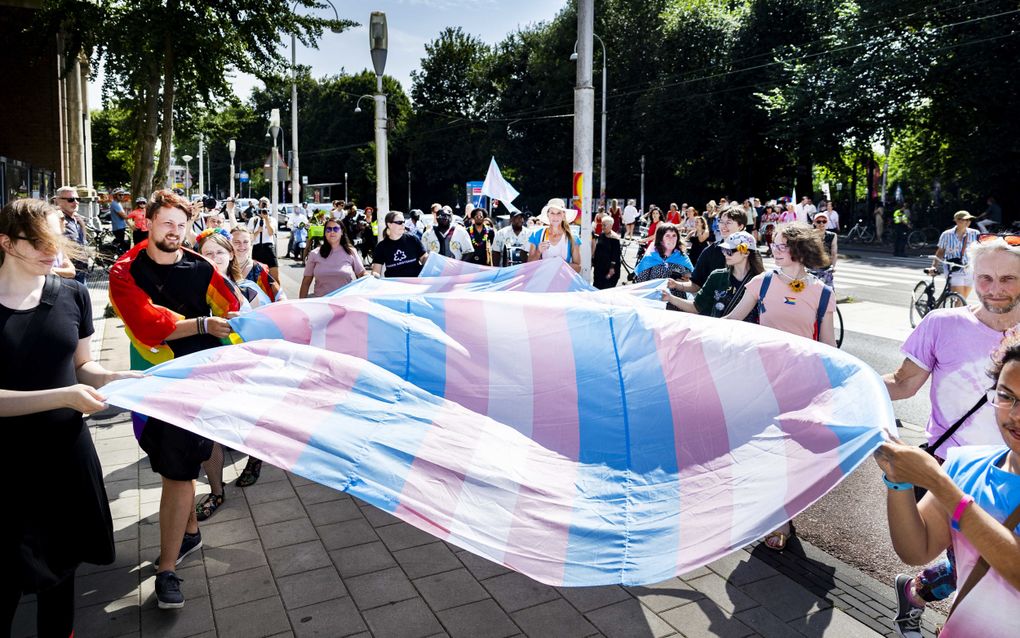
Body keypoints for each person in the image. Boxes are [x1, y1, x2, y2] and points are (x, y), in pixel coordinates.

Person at [0, 199, 139, 638]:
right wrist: (63, 396)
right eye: (39, 241)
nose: (52, 250)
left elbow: (84, 366)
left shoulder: (73, 293)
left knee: (61, 577)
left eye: (56, 239)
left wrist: (117, 376)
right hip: (7, 464)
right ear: (6, 242)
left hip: (65, 458)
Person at [108, 189, 243, 610]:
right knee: (172, 465)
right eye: (167, 223)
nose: (175, 232)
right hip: (153, 382)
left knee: (177, 472)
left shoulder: (200, 265)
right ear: (147, 223)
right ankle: (188, 533)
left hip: (197, 384)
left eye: (182, 225)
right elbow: (149, 326)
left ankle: (166, 569)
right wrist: (203, 322)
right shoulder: (123, 271)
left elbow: (234, 308)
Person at [882, 234, 1020, 636]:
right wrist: (845, 388)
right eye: (985, 278)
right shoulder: (942, 324)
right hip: (957, 468)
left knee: (984, 565)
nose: (995, 290)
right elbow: (904, 384)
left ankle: (915, 592)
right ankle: (926, 598)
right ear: (971, 278)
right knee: (982, 567)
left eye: (1009, 279)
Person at [723, 222, 835, 551]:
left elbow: (829, 347)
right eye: (772, 244)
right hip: (762, 381)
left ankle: (784, 510)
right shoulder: (762, 282)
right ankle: (776, 516)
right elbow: (731, 322)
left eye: (781, 245)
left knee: (791, 455)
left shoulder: (822, 293)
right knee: (766, 449)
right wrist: (686, 327)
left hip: (801, 385)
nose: (774, 250)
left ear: (799, 250)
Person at [662, 230, 762, 320]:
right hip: (720, 336)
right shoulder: (717, 276)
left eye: (730, 251)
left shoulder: (762, 280)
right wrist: (670, 298)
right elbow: (696, 307)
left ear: (746, 253)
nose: (725, 254)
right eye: (724, 250)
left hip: (748, 338)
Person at [672, 206, 748, 295]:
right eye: (721, 221)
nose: (723, 226)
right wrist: (676, 285)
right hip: (715, 305)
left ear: (741, 226)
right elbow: (696, 284)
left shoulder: (749, 250)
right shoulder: (710, 252)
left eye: (728, 222)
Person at [300, 218, 367, 297]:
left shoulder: (351, 252)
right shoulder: (314, 254)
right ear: (325, 233)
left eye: (336, 229)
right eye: (328, 229)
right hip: (321, 304)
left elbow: (362, 274)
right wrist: (300, 305)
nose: (332, 232)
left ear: (342, 232)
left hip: (344, 304)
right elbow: (306, 282)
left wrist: (372, 278)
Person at [635, 223, 694, 311]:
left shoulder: (682, 257)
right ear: (661, 239)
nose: (672, 238)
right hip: (655, 305)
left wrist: (687, 281)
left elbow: (693, 281)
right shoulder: (650, 257)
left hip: (678, 305)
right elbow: (641, 284)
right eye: (667, 235)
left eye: (674, 235)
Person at [933, 211, 980, 300]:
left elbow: (980, 250)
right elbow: (940, 252)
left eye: (969, 220)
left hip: (969, 269)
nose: (968, 222)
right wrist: (933, 267)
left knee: (962, 300)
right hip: (953, 269)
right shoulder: (946, 234)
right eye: (965, 219)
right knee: (960, 298)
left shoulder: (975, 233)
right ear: (957, 221)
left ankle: (953, 311)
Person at [528, 198, 581, 273]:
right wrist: (538, 252)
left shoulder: (573, 237)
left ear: (563, 215)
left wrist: (559, 265)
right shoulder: (537, 235)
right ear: (548, 215)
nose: (555, 217)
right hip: (542, 282)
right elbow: (528, 265)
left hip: (563, 283)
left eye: (559, 213)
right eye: (552, 213)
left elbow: (578, 267)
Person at [372, 211, 428, 277]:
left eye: (403, 222)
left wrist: (429, 259)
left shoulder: (413, 239)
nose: (403, 225)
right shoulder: (381, 246)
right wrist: (374, 275)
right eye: (399, 222)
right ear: (389, 225)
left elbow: (424, 257)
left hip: (416, 283)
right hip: (394, 285)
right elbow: (376, 271)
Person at [54, 186, 87, 284]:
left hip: (81, 271)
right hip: (67, 275)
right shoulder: (57, 219)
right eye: (71, 199)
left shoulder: (77, 219)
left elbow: (82, 243)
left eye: (77, 199)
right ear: (57, 201)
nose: (76, 202)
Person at [247, 197, 279, 281]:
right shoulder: (253, 220)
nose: (264, 204)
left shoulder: (272, 219)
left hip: (269, 248)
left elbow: (271, 233)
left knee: (275, 278)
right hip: (257, 249)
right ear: (259, 205)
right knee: (257, 278)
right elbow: (250, 237)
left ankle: (276, 294)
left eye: (266, 203)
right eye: (262, 202)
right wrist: (257, 231)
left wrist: (266, 219)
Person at [592, 214, 622, 290]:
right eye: (602, 225)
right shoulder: (602, 235)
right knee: (596, 288)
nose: (602, 227)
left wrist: (611, 269)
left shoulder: (614, 238)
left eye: (604, 225)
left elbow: (616, 255)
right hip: (599, 268)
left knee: (606, 290)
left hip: (609, 270)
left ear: (611, 226)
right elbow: (598, 248)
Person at [809, 212, 838, 288]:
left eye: (824, 221)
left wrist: (833, 266)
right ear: (814, 223)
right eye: (818, 221)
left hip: (826, 268)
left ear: (827, 222)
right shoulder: (809, 235)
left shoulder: (832, 235)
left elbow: (834, 253)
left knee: (828, 293)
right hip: (811, 268)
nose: (821, 223)